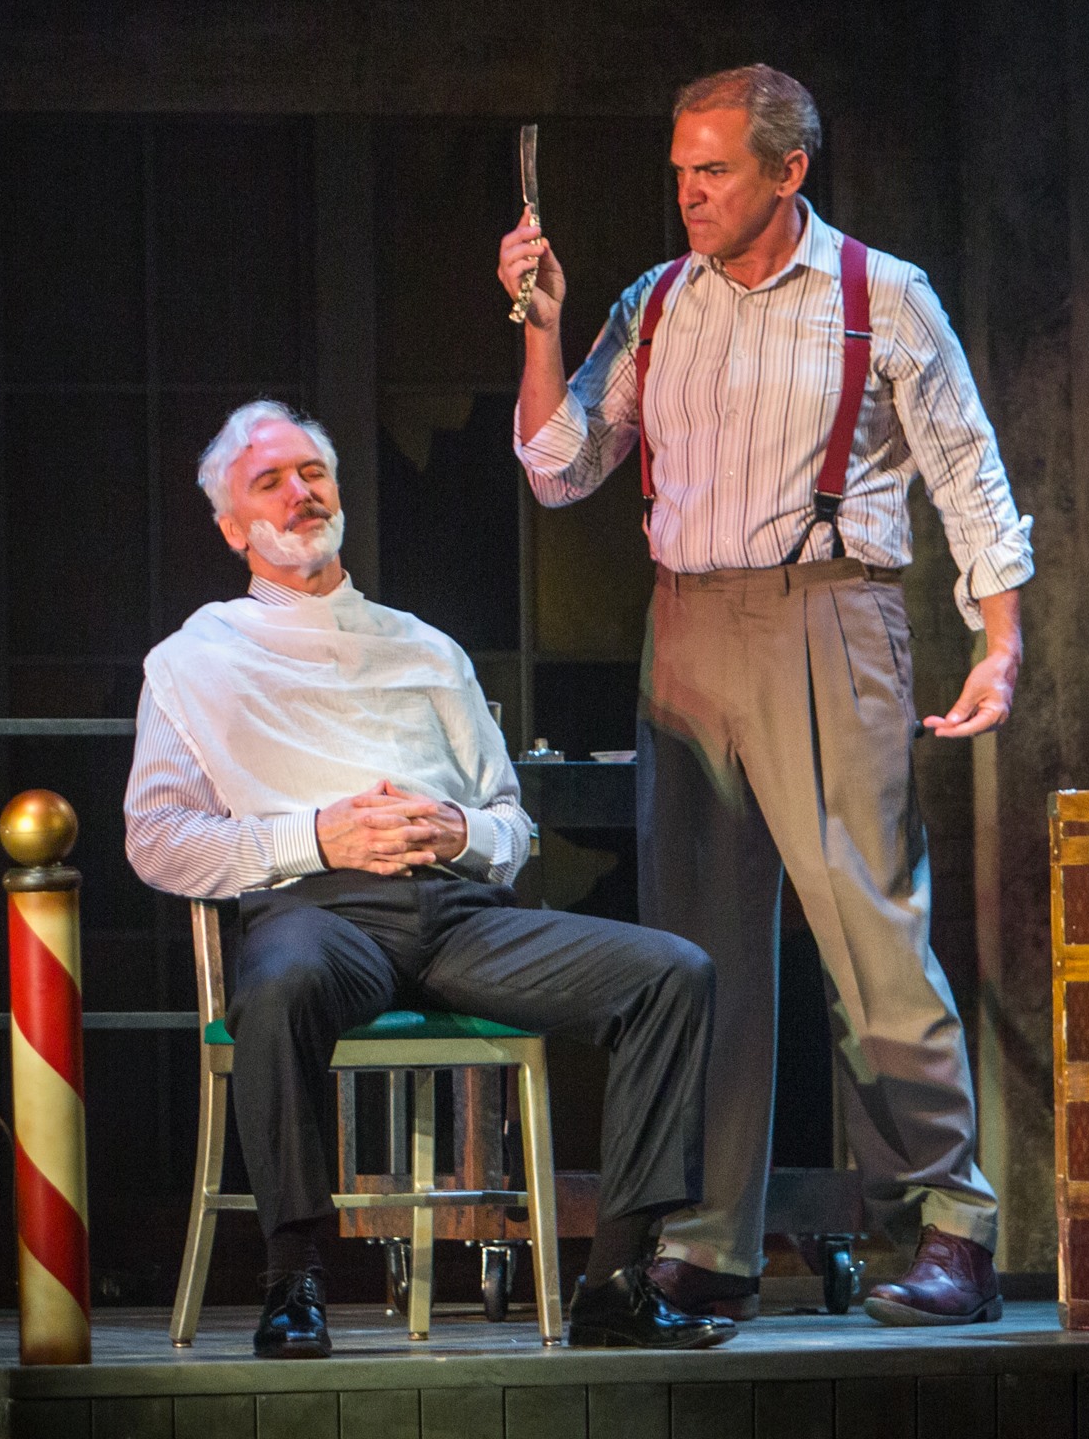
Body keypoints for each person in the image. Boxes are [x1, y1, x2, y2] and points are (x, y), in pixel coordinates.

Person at [498, 65, 1033, 1328]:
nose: (688, 193)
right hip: (686, 625)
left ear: (788, 171)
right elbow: (561, 468)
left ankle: (946, 1222)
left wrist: (999, 643)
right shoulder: (653, 302)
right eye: (679, 170)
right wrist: (541, 325)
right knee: (699, 951)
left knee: (868, 929)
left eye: (714, 169)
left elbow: (968, 473)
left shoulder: (880, 294)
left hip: (826, 613)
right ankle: (708, 1238)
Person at [125, 400, 732, 1358]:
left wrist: (462, 829)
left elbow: (511, 827)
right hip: (320, 913)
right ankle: (293, 1280)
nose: (299, 494)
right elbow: (158, 841)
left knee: (673, 973)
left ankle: (617, 1282)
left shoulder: (424, 647)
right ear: (232, 527)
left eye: (312, 473)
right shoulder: (194, 660)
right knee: (278, 984)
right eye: (268, 482)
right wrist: (316, 836)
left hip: (457, 918)